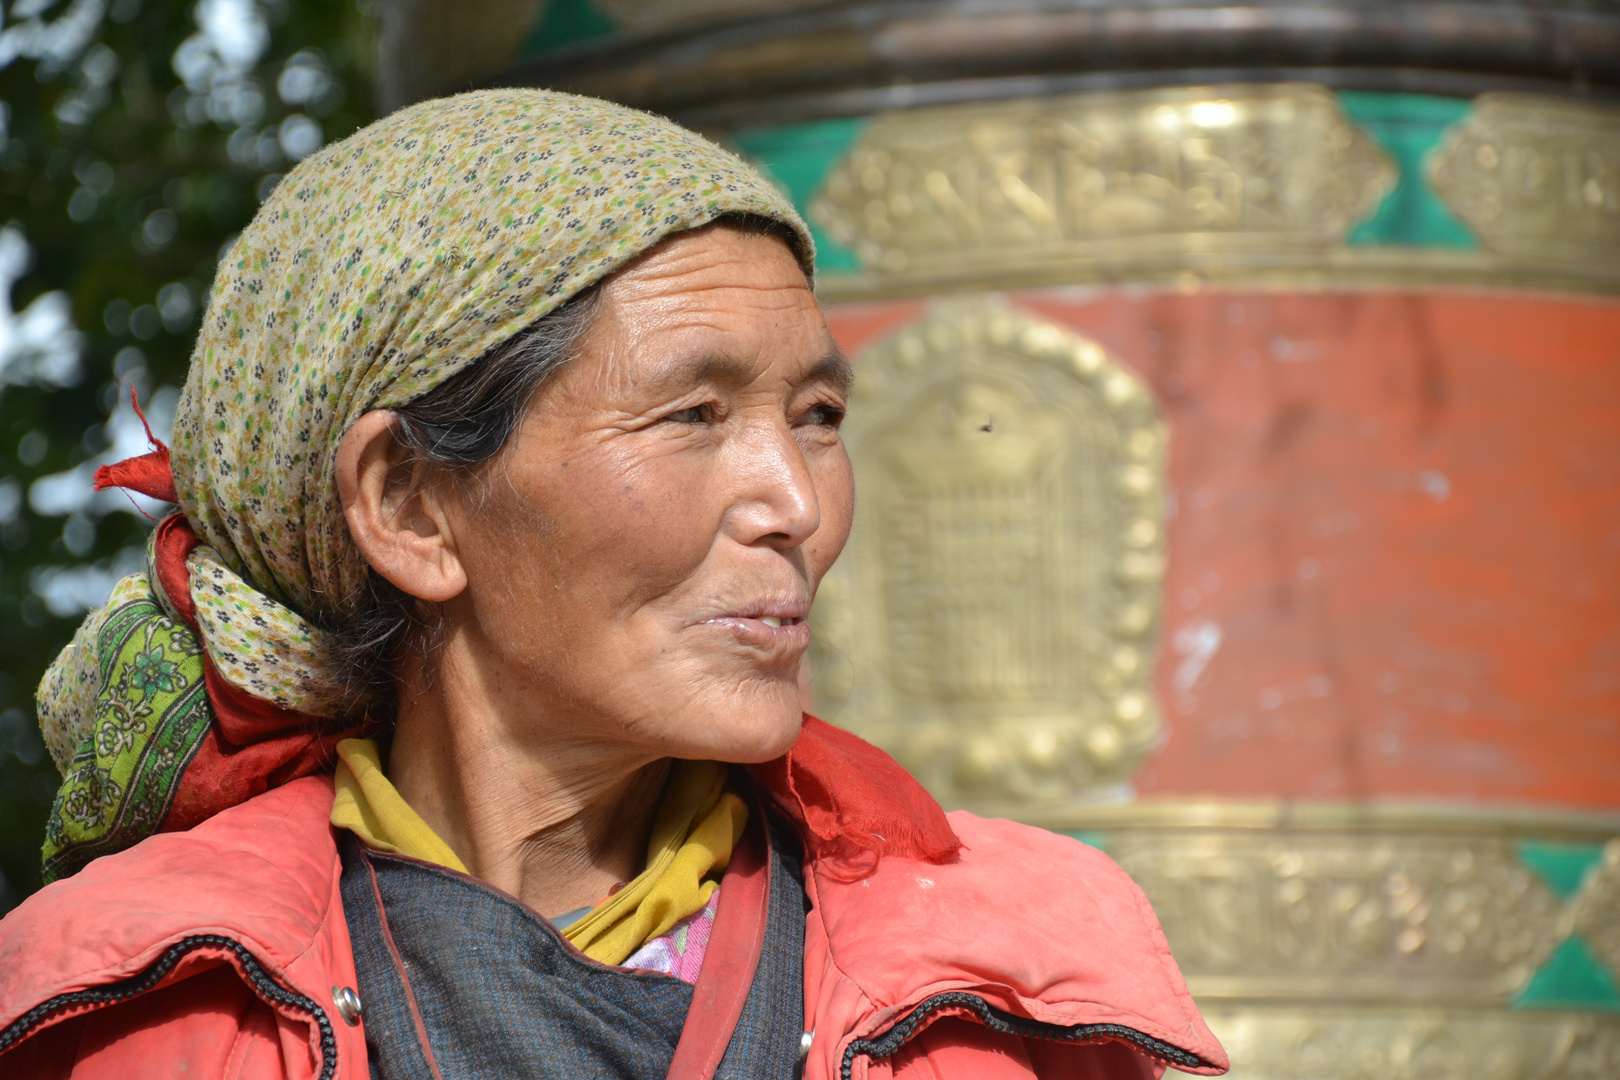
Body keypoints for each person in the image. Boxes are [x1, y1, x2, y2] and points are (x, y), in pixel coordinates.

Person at [0, 90, 1227, 1080]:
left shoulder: (1002, 996)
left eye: (817, 415)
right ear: (410, 507)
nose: (797, 505)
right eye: (692, 413)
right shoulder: (142, 1014)